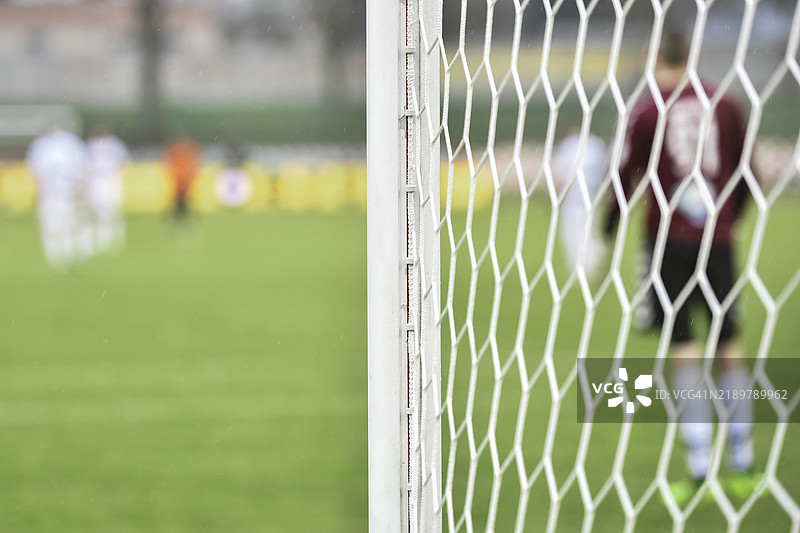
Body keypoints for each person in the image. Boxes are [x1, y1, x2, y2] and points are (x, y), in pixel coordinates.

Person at [605, 31, 756, 494]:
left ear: (655, 57)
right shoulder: (724, 102)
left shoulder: (648, 108)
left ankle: (698, 464)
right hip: (718, 237)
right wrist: (732, 217)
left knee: (683, 345)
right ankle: (742, 460)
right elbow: (747, 170)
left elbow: (628, 170)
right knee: (728, 343)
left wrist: (609, 222)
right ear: (690, 55)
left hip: (667, 239)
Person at [26, 127, 91, 270]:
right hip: (50, 194)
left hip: (66, 193)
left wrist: (80, 186)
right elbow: (35, 170)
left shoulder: (69, 145)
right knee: (51, 224)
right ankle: (54, 254)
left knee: (68, 222)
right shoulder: (42, 146)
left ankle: (66, 252)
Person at [551, 128, 608, 279]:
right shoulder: (595, 145)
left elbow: (558, 173)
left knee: (574, 234)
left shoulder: (568, 147)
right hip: (591, 197)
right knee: (588, 231)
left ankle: (582, 265)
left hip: (573, 199)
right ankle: (589, 261)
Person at [86, 125, 129, 253]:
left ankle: (115, 238)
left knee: (113, 211)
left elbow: (123, 162)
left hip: (111, 181)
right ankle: (103, 239)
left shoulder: (113, 144)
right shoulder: (92, 145)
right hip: (98, 182)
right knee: (100, 212)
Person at [165, 136, 201, 219]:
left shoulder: (181, 153)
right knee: (179, 199)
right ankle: (180, 215)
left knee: (184, 199)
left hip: (183, 179)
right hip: (180, 179)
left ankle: (182, 215)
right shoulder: (180, 153)